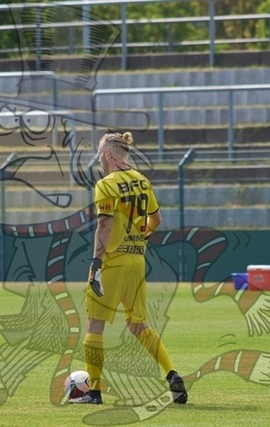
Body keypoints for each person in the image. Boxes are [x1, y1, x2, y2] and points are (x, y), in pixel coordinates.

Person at [70, 131, 188, 405]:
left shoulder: (106, 184)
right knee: (139, 325)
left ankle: (94, 392)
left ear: (109, 154)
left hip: (112, 262)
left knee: (94, 325)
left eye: (100, 154)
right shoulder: (142, 181)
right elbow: (156, 219)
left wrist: (96, 263)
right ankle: (171, 373)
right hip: (137, 261)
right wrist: (139, 237)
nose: (99, 159)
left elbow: (105, 225)